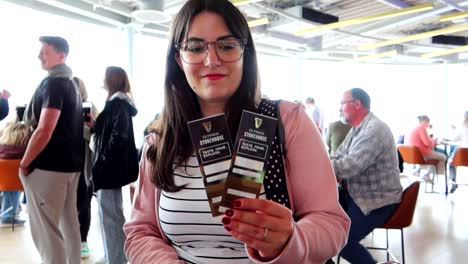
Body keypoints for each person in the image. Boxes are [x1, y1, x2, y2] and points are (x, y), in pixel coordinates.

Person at [123, 1, 350, 263]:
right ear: (178, 58)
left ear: (245, 53)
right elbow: (140, 231)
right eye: (195, 48)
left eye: (227, 45)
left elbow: (331, 223)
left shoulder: (288, 122)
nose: (211, 60)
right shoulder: (161, 139)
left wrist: (291, 240)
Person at [20, 36, 84, 264]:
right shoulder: (72, 85)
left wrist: (25, 163)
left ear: (61, 55)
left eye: (44, 51)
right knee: (69, 226)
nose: (39, 56)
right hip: (71, 166)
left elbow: (45, 129)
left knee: (48, 232)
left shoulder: (54, 83)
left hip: (49, 167)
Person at [331, 88, 402, 264]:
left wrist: (317, 166)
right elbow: (339, 156)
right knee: (317, 223)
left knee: (343, 242)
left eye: (343, 104)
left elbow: (349, 166)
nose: (340, 108)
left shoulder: (374, 130)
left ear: (357, 104)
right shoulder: (357, 128)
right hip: (355, 194)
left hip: (375, 200)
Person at [92, 66, 138, 264]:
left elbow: (118, 137)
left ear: (111, 80)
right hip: (110, 169)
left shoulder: (117, 105)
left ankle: (116, 259)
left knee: (111, 216)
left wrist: (103, 161)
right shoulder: (117, 104)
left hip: (109, 170)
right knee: (109, 215)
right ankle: (114, 256)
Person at [72, 76, 98, 259]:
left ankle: (83, 241)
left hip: (84, 164)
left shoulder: (90, 107)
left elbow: (96, 137)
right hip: (65, 164)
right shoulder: (61, 107)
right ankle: (70, 240)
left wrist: (91, 126)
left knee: (84, 203)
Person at [0, 121, 31, 227]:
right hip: (17, 182)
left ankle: (7, 211)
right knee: (14, 182)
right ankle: (8, 215)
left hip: (2, 182)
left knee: (8, 186)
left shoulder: (2, 148)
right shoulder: (24, 150)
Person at [405, 115, 447, 181]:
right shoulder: (421, 128)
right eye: (428, 122)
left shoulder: (414, 128)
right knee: (443, 157)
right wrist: (434, 142)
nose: (429, 123)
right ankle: (432, 176)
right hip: (422, 153)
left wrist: (432, 142)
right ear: (425, 121)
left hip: (412, 154)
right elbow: (428, 143)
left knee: (435, 158)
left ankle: (420, 172)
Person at [448, 111, 468, 193]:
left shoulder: (462, 127)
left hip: (462, 156)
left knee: (451, 163)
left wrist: (453, 130)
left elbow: (454, 139)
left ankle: (453, 181)